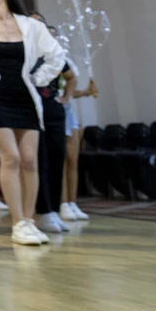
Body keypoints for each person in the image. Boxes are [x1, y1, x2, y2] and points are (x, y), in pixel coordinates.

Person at [0, 0, 65, 246]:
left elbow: (56, 55)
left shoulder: (31, 25)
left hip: (26, 98)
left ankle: (29, 221)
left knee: (30, 161)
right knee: (9, 157)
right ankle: (17, 223)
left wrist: (40, 77)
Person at [29, 14, 74, 234]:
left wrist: (66, 97)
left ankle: (54, 210)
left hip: (53, 108)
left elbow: (71, 75)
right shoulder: (25, 51)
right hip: (30, 108)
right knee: (38, 160)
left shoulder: (53, 53)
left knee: (57, 157)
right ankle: (42, 211)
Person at [61, 72, 96, 222]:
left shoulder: (65, 63)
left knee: (72, 159)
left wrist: (86, 92)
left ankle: (72, 202)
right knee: (61, 160)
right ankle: (62, 204)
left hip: (68, 112)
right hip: (54, 111)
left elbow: (68, 92)